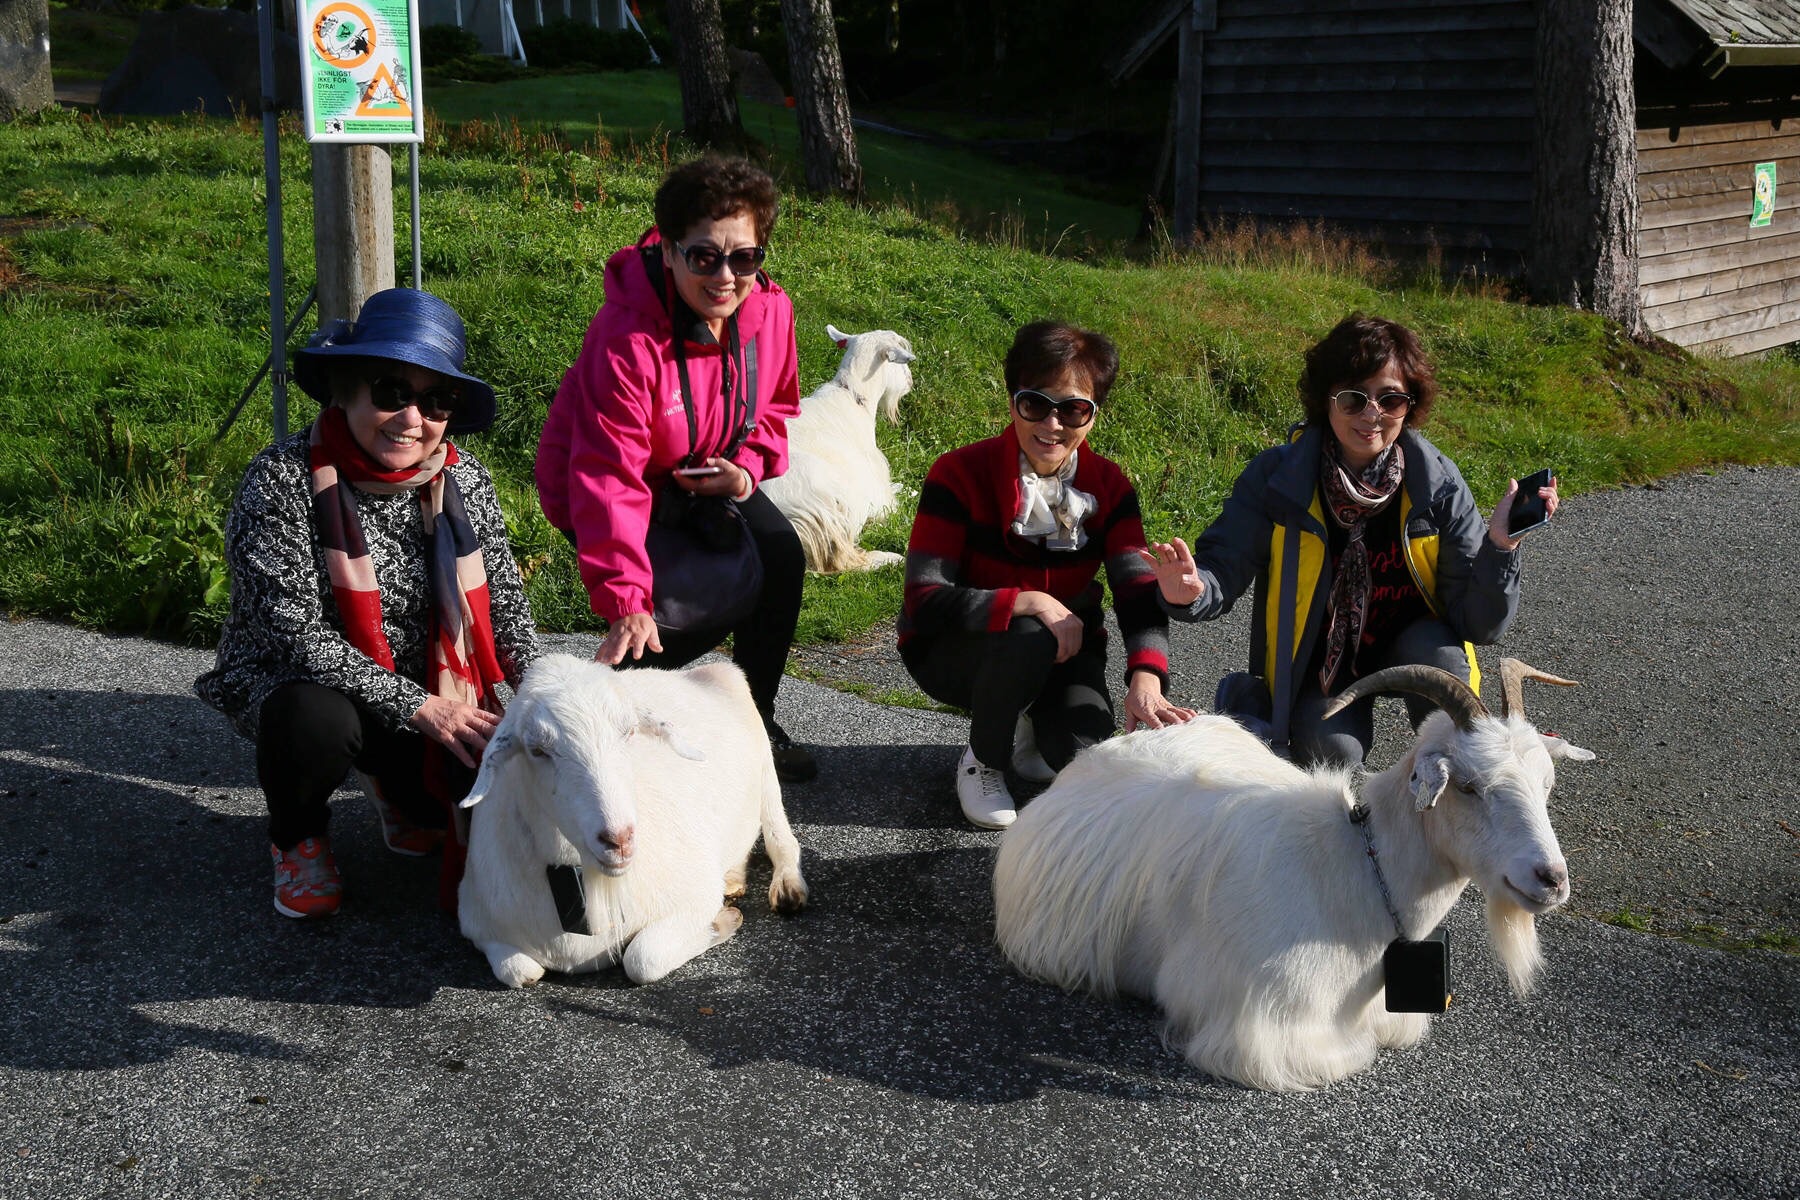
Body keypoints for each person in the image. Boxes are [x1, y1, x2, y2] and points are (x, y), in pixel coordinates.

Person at [197, 288, 541, 919]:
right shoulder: (280, 480)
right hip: (301, 682)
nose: (414, 418)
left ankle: (403, 795)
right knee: (313, 721)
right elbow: (292, 633)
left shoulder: (465, 481)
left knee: (486, 765)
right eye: (391, 391)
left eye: (436, 400)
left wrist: (542, 698)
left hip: (428, 684)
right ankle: (296, 836)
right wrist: (419, 707)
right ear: (345, 391)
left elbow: (509, 614)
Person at [1142, 313, 1559, 767]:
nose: (1372, 415)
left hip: (1412, 641)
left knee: (1450, 693)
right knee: (1330, 754)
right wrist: (1192, 590)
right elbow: (1222, 567)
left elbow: (1481, 626)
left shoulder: (1436, 484)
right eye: (1354, 399)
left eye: (1391, 399)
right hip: (1322, 657)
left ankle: (1449, 817)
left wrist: (1500, 546)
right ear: (1327, 400)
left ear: (1410, 405)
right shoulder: (1279, 480)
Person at [535, 155, 816, 782]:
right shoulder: (625, 337)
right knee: (656, 625)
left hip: (706, 471)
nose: (725, 276)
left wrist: (743, 470)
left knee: (779, 556)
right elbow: (608, 477)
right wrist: (626, 600)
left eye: (744, 257)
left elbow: (774, 409)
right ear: (667, 251)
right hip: (609, 481)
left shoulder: (773, 312)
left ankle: (755, 721)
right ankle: (587, 734)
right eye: (703, 256)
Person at [899, 321, 1195, 830]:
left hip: (1066, 651)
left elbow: (1134, 590)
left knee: (1091, 760)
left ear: (1094, 415)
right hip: (956, 648)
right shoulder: (957, 473)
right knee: (1029, 633)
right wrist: (1027, 600)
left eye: (1074, 409)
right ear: (1012, 400)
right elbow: (924, 598)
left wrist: (1146, 679)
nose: (1053, 424)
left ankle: (1033, 720)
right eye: (1035, 403)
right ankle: (983, 758)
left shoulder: (1110, 486)